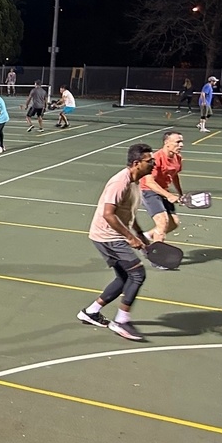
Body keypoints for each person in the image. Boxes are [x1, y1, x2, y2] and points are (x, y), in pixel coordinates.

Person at [77, 143, 155, 342]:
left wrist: (138, 233)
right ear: (136, 163)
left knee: (124, 277)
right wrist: (130, 238)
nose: (153, 164)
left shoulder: (136, 180)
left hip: (116, 234)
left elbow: (128, 212)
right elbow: (109, 214)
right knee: (137, 273)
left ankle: (91, 312)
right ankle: (121, 321)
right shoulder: (120, 182)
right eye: (149, 161)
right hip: (107, 236)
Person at [141, 131, 184, 251]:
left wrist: (180, 193)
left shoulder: (178, 158)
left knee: (173, 223)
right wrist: (169, 195)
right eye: (178, 142)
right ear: (167, 143)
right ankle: (157, 256)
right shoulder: (156, 158)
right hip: (148, 190)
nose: (181, 145)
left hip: (163, 190)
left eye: (182, 142)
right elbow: (149, 182)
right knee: (162, 223)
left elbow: (174, 175)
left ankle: (146, 236)